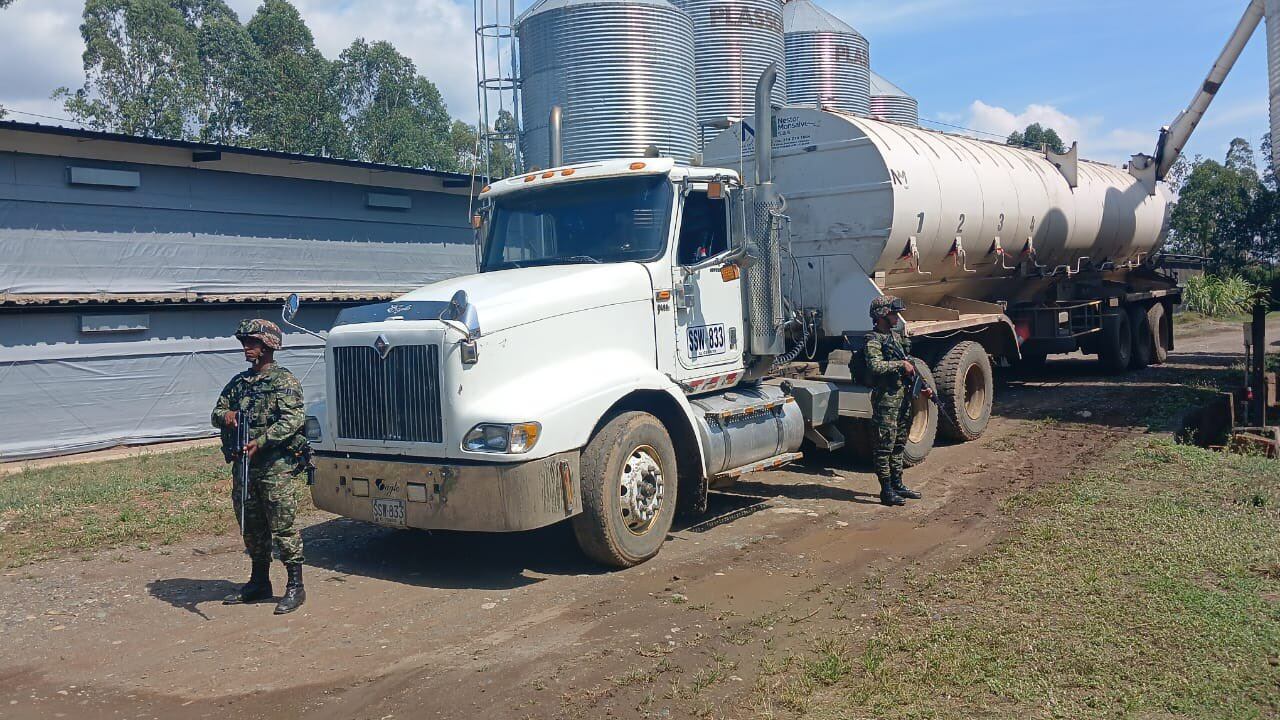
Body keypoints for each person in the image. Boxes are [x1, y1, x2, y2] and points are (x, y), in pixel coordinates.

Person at [212, 319, 309, 614]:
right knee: (252, 526)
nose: (246, 348)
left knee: (283, 526)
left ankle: (295, 586)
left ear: (268, 345)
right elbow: (217, 412)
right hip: (245, 466)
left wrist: (263, 441)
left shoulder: (284, 381)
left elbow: (293, 420)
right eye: (244, 342)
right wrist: (227, 416)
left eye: (252, 343)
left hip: (275, 466)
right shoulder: (239, 383)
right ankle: (259, 582)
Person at [863, 295, 931, 507]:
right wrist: (900, 365)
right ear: (882, 314)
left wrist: (923, 385)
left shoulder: (895, 337)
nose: (896, 318)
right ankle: (886, 490)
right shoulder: (873, 340)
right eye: (893, 314)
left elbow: (910, 364)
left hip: (902, 399)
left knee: (899, 443)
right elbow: (875, 366)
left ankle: (898, 484)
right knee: (884, 446)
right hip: (886, 401)